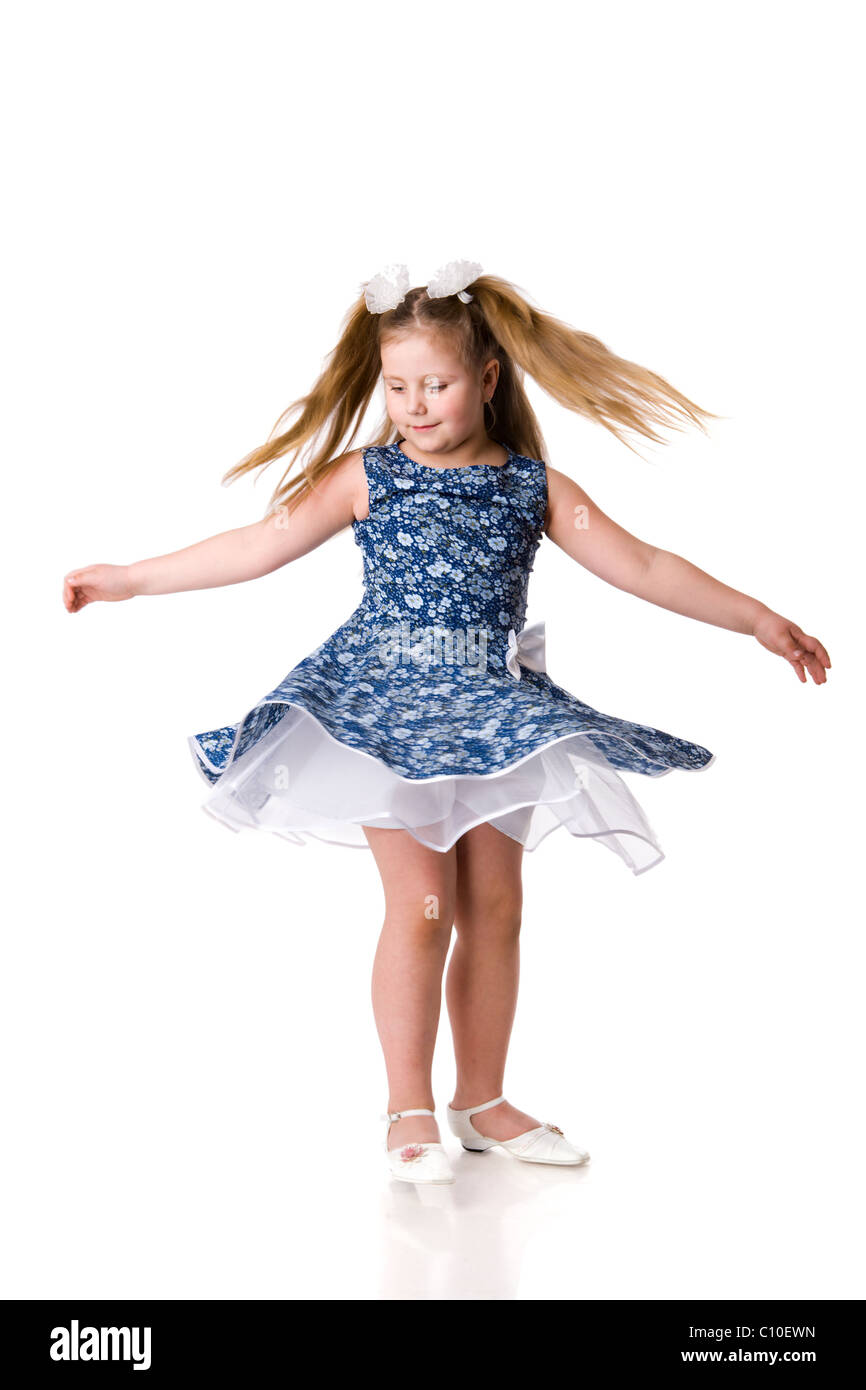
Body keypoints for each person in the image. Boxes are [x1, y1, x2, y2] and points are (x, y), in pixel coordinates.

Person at [63, 260, 831, 1187]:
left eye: (438, 384)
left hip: (492, 707)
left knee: (498, 907)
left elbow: (644, 564)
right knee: (422, 911)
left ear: (489, 380)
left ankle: (483, 1098)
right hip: (382, 709)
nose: (416, 406)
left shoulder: (531, 486)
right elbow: (256, 546)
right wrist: (128, 578)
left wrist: (756, 617)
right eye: (398, 387)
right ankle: (407, 1103)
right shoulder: (368, 477)